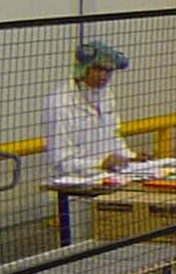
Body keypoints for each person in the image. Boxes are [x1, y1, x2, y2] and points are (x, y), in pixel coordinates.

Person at [47, 40, 137, 179]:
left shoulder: (106, 94)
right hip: (73, 184)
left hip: (108, 178)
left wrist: (131, 157)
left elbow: (113, 137)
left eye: (108, 71)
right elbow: (60, 162)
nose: (103, 76)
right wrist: (99, 164)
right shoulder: (61, 102)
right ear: (83, 68)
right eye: (98, 69)